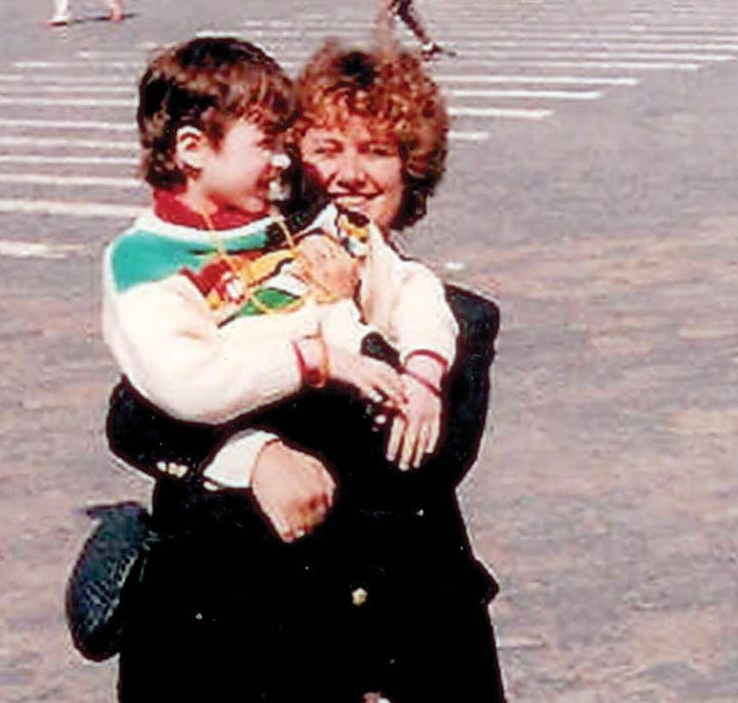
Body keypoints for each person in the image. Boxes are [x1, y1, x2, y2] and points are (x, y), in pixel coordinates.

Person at [106, 41, 504, 702]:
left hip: (393, 639)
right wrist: (250, 454)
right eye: (326, 149)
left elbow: (422, 461)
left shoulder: (460, 318)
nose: (350, 174)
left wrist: (344, 308)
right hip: (235, 633)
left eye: (376, 150)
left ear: (412, 170)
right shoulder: (237, 276)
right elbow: (132, 415)